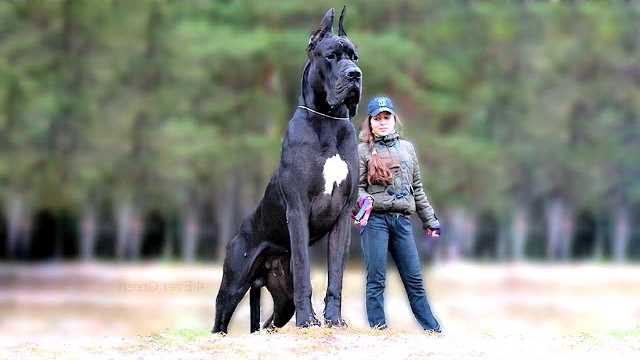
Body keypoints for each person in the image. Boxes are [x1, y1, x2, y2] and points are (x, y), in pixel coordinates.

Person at [354, 96, 442, 332]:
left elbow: (418, 189)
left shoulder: (407, 149)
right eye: (377, 118)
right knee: (376, 279)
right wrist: (364, 201)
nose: (382, 122)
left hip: (402, 222)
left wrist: (430, 220)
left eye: (386, 117)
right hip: (375, 222)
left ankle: (433, 330)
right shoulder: (362, 150)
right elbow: (356, 188)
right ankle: (378, 330)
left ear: (394, 119)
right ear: (370, 122)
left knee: (414, 279)